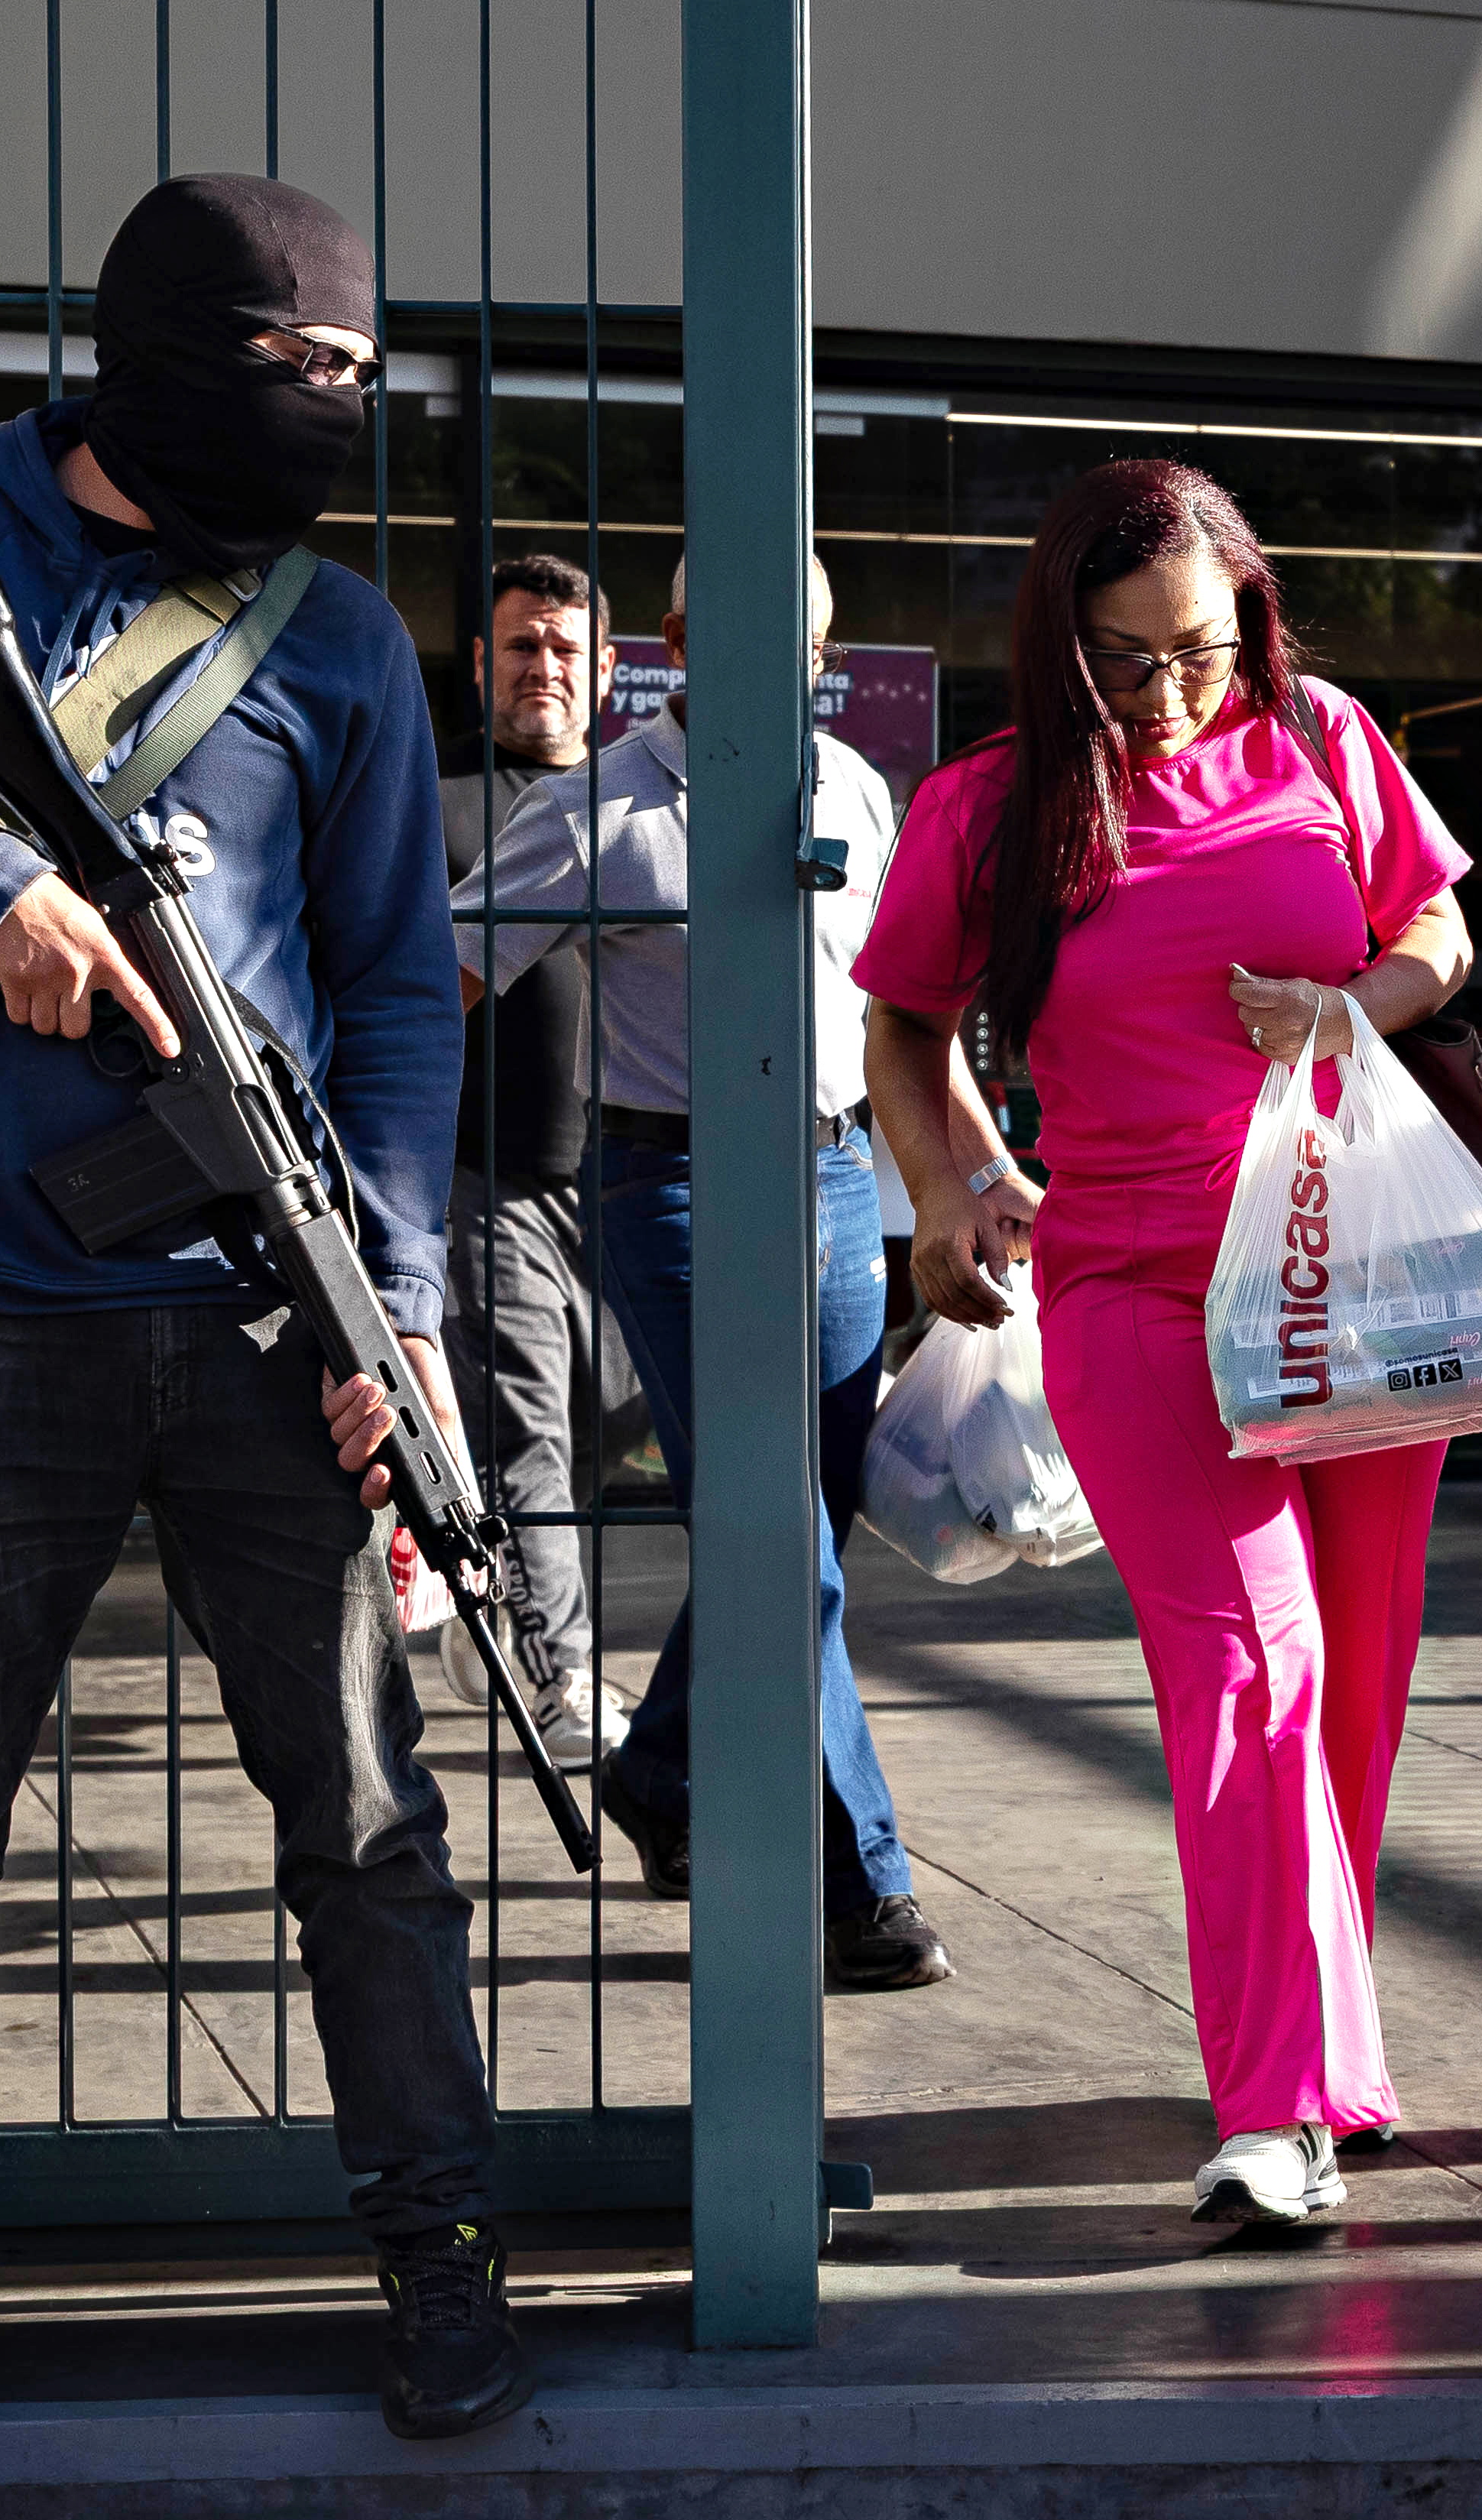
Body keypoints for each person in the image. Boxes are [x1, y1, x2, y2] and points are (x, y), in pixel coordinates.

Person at [0, 174, 530, 2451]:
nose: (335, 415)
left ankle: (437, 2231)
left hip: (271, 1318)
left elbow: (392, 996)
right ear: (163, 356)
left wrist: (406, 1301)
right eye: (299, 373)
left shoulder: (340, 637)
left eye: (363, 378)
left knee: (364, 1805)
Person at [860, 459, 1476, 2226]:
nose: (1163, 696)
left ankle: (1321, 2049)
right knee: (1249, 1671)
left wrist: (1350, 1002)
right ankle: (1278, 2102)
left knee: (1350, 1686)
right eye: (1118, 663)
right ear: (1059, 646)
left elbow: (1435, 925)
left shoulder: (1326, 740)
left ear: (1249, 616)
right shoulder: (991, 808)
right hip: (1128, 1288)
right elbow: (906, 1026)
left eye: (1194, 653)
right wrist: (951, 1182)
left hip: (1342, 1279)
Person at [456, 550, 956, 1993]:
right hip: (669, 1185)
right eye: (741, 636)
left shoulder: (856, 791)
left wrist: (961, 1174)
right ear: (676, 642)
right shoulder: (593, 807)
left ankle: (661, 1769)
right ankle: (864, 1882)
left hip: (836, 1173)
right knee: (775, 1537)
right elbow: (447, 970)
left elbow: (898, 1013)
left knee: (806, 1525)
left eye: (801, 640)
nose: (778, 666)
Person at [439, 553, 637, 1765]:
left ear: (610, 667)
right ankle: (563, 1673)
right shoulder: (437, 797)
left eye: (567, 649)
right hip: (486, 1174)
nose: (544, 669)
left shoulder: (637, 799)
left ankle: (501, 1600)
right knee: (530, 1435)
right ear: (481, 664)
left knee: (609, 1418)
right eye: (522, 646)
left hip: (624, 1177)